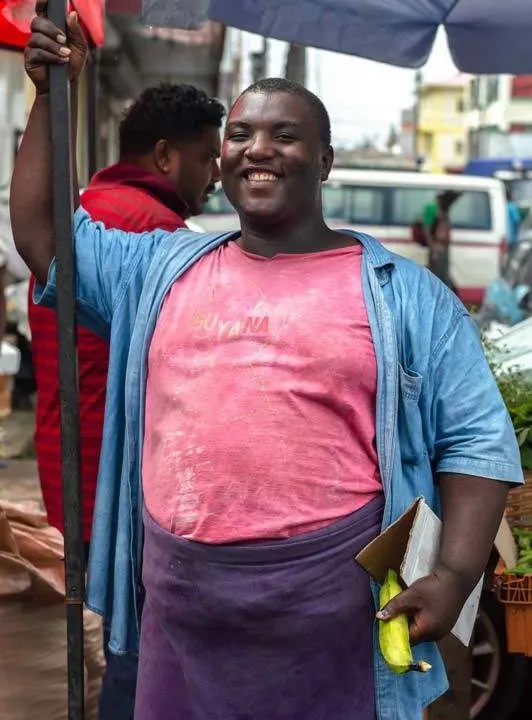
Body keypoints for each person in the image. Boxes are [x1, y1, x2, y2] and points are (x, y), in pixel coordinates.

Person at [12, 6, 523, 719]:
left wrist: (455, 574)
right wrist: (49, 95)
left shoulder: (406, 297)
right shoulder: (160, 268)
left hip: (332, 627)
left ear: (324, 161)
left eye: (285, 135)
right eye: (241, 134)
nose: (259, 148)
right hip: (181, 620)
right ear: (220, 160)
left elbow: (476, 442)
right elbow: (45, 236)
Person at [27, 72, 224, 720]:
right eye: (206, 158)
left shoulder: (86, 214)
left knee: (126, 637)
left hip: (70, 467)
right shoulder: (152, 239)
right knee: (142, 646)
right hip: (123, 481)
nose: (214, 177)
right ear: (165, 156)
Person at [422, 190, 460, 291]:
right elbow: (426, 228)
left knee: (443, 273)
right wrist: (433, 247)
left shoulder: (444, 210)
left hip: (443, 247)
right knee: (437, 275)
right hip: (437, 246)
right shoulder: (432, 209)